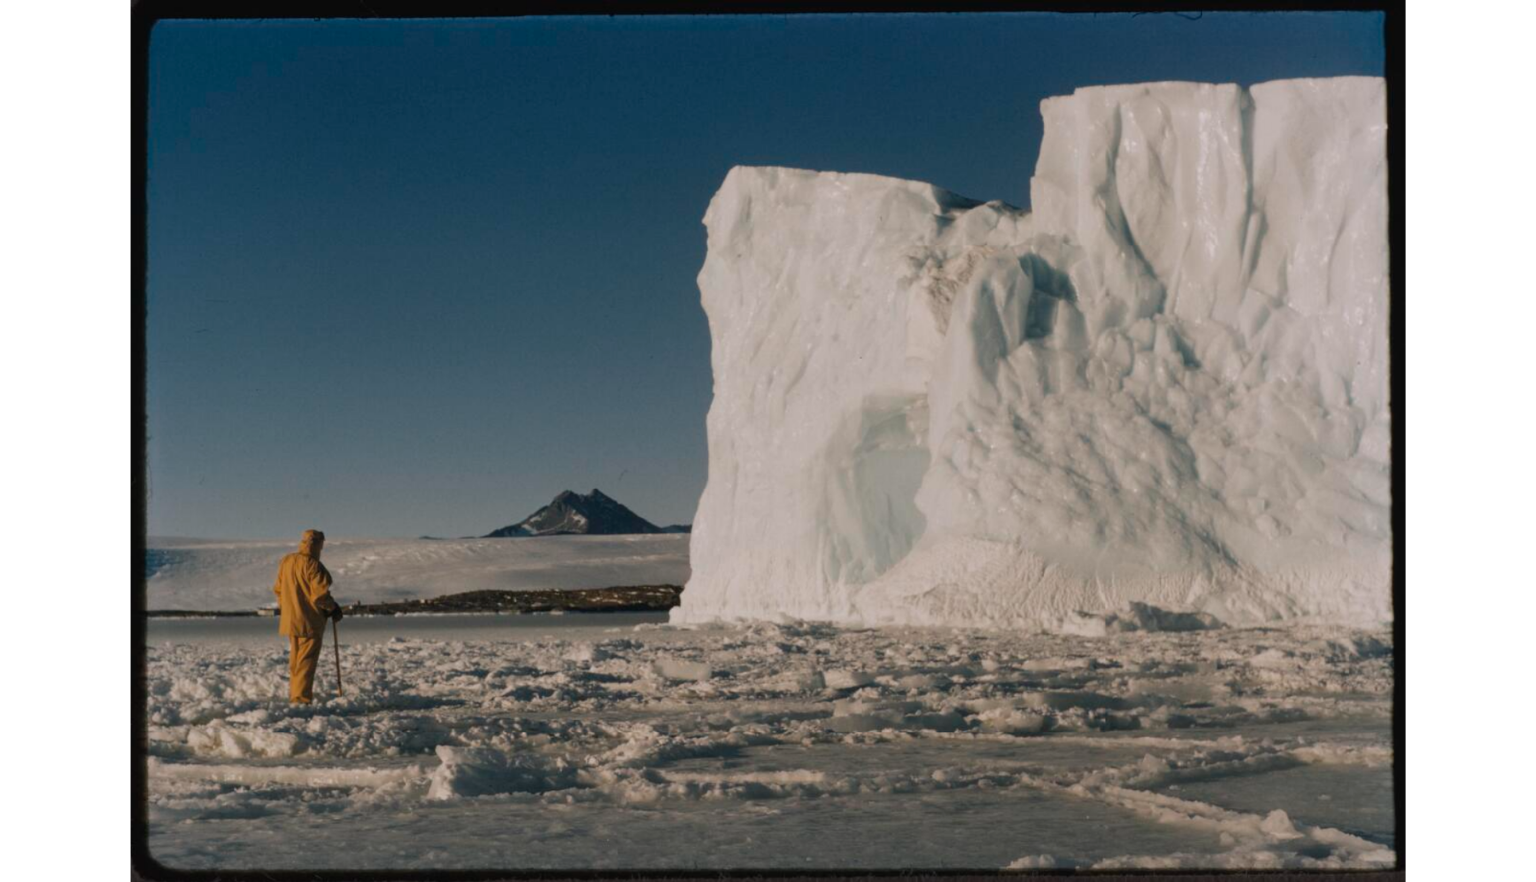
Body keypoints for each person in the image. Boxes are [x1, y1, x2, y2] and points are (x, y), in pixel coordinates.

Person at [272, 529, 343, 704]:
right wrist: (332, 607)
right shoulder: (313, 565)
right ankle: (300, 700)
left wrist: (288, 609)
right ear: (318, 544)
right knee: (306, 663)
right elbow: (319, 596)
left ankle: (296, 696)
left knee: (296, 662)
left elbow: (278, 590)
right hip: (309, 622)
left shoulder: (287, 561)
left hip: (291, 621)